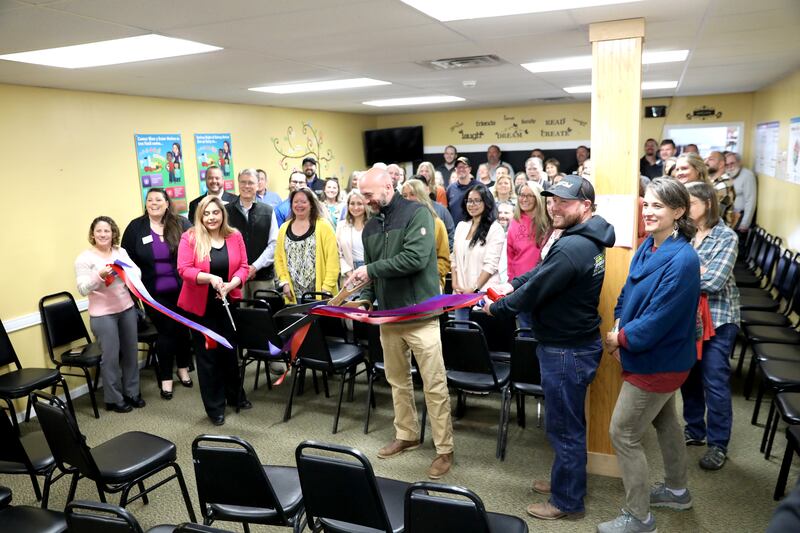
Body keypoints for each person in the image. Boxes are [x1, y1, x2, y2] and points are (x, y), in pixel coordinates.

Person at [484, 175, 615, 521]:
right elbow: (541, 272)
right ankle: (565, 482)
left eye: (564, 202)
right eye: (553, 200)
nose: (554, 207)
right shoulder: (583, 236)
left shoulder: (574, 247)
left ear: (585, 206)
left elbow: (536, 289)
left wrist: (497, 308)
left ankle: (566, 501)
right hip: (573, 345)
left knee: (564, 428)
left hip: (566, 351)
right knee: (568, 423)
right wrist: (511, 283)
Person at [600, 178, 700, 533]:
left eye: (658, 205)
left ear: (678, 211)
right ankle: (677, 490)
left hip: (660, 362)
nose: (649, 211)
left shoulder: (684, 259)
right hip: (647, 354)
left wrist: (620, 338)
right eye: (647, 204)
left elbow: (660, 318)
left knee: (623, 433)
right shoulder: (649, 246)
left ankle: (639, 517)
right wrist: (618, 324)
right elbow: (627, 293)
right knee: (666, 421)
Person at [349, 166, 454, 479]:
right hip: (389, 317)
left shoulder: (417, 214)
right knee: (397, 381)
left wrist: (370, 271)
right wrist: (365, 301)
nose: (365, 200)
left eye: (369, 194)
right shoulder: (370, 228)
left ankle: (444, 449)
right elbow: (370, 277)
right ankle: (407, 434)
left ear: (388, 186)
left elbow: (415, 259)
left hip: (421, 316)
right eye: (361, 195)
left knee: (434, 385)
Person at [681, 181, 740, 471]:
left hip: (718, 319)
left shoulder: (726, 237)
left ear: (707, 204)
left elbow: (715, 281)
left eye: (690, 203)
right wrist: (696, 270)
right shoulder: (684, 233)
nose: (685, 208)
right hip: (688, 318)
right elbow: (669, 268)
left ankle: (718, 444)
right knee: (689, 377)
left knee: (714, 381)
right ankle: (694, 429)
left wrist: (685, 273)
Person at [177, 196, 250, 426]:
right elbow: (184, 270)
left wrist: (231, 284)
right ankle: (215, 407)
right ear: (200, 216)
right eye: (206, 213)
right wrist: (209, 278)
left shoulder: (234, 236)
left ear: (222, 214)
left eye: (215, 213)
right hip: (202, 309)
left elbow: (244, 267)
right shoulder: (189, 238)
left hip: (227, 303)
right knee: (209, 358)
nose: (211, 217)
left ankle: (235, 395)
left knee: (229, 351)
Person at [122, 188, 193, 400]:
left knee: (182, 329)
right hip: (153, 294)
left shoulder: (181, 224)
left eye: (158, 200)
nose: (154, 203)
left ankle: (183, 368)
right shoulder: (136, 228)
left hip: (183, 290)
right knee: (167, 331)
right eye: (150, 200)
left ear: (167, 203)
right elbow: (126, 260)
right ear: (146, 204)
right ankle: (166, 377)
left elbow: (195, 250)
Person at [76, 216, 143, 413]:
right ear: (92, 234)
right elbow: (82, 289)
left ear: (113, 233)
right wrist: (99, 276)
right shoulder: (84, 259)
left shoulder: (120, 252)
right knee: (111, 358)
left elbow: (137, 273)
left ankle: (132, 392)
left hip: (127, 309)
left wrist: (128, 271)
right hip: (103, 315)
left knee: (131, 352)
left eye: (107, 230)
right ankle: (114, 399)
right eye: (99, 231)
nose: (103, 234)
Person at [274, 187, 339, 304]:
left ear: (311, 204)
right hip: (293, 295)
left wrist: (327, 288)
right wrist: (284, 282)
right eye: (296, 202)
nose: (299, 205)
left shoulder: (324, 226)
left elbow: (333, 260)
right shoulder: (284, 228)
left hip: (320, 295)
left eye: (303, 202)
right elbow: (278, 259)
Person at [451, 183, 505, 322]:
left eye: (477, 201)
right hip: (461, 294)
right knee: (460, 333)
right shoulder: (461, 226)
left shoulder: (495, 229)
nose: (472, 205)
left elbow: (490, 265)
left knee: (480, 334)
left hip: (483, 294)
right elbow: (454, 259)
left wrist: (473, 288)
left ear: (486, 202)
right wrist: (455, 284)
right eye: (469, 201)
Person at [225, 168, 278, 297]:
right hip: (235, 278)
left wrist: (254, 267)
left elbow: (274, 244)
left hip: (262, 277)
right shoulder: (226, 211)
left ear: (258, 185)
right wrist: (243, 270)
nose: (246, 186)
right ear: (238, 184)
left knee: (263, 309)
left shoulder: (268, 211)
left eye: (250, 182)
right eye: (243, 182)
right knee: (239, 310)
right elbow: (223, 243)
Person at [506, 181, 550, 331]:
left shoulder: (548, 222)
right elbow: (510, 255)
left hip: (542, 284)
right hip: (521, 287)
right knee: (524, 330)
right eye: (521, 195)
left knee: (541, 330)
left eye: (529, 196)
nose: (524, 199)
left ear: (538, 197)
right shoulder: (515, 221)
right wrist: (511, 282)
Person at [402, 179, 451, 292]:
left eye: (412, 194)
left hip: (430, 287)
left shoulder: (437, 224)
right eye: (404, 196)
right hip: (404, 288)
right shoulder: (398, 226)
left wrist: (428, 276)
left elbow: (444, 260)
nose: (408, 199)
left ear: (422, 196)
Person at [336, 189, 368, 286]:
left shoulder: (373, 225)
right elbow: (338, 253)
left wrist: (368, 272)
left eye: (359, 203)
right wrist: (350, 274)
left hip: (369, 273)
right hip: (349, 274)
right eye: (352, 203)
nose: (355, 207)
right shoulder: (341, 226)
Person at [725, 151, 757, 232]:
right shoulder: (727, 175)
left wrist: (745, 223)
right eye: (727, 165)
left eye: (732, 163)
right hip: (729, 218)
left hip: (740, 218)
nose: (730, 167)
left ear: (739, 162)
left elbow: (750, 200)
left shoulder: (747, 175)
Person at [446, 156, 474, 224]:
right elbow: (447, 212)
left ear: (470, 169)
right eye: (458, 167)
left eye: (464, 167)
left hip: (474, 228)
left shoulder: (479, 187)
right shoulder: (450, 189)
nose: (461, 169)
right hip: (455, 229)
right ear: (455, 169)